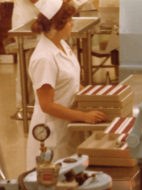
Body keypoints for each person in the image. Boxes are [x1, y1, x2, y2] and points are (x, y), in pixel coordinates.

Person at [26, 0, 106, 169]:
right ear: (56, 25)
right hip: (51, 135)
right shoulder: (44, 58)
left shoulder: (62, 45)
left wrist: (96, 96)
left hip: (67, 126)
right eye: (70, 20)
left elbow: (72, 83)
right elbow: (47, 105)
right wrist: (84, 116)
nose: (72, 23)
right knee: (53, 184)